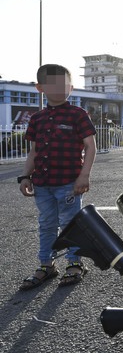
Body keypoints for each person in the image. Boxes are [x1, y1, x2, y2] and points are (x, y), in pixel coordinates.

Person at [18, 64, 97, 290]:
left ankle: (75, 264)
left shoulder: (78, 115)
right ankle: (46, 265)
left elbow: (90, 146)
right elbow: (33, 152)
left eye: (65, 84)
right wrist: (25, 176)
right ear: (40, 87)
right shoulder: (37, 119)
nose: (61, 88)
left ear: (71, 86)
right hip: (42, 185)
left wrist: (84, 176)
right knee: (46, 224)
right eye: (54, 84)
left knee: (70, 224)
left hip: (69, 184)